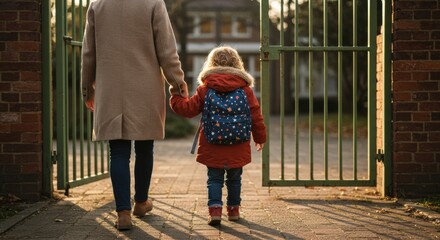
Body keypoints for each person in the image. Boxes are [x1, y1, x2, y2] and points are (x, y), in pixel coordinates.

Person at [81, 0, 188, 231]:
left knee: (117, 151)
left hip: (110, 88)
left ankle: (122, 213)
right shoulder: (153, 3)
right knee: (144, 146)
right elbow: (166, 50)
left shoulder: (97, 5)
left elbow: (88, 52)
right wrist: (177, 84)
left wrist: (87, 88)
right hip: (145, 86)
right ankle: (140, 202)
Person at [170, 46, 266, 225]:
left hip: (212, 144)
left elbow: (188, 109)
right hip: (238, 144)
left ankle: (215, 211)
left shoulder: (205, 89)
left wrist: (176, 97)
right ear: (238, 64)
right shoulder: (245, 90)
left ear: (210, 64)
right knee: (235, 178)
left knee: (214, 179)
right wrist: (260, 138)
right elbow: (256, 115)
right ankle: (234, 211)